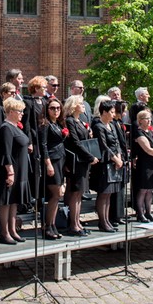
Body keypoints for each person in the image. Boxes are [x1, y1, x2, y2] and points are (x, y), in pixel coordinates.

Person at [0, 98, 31, 244]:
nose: (22, 114)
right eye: (19, 111)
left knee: (14, 200)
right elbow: (6, 152)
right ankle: (4, 232)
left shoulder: (16, 127)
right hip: (11, 170)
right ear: (10, 112)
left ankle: (12, 229)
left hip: (20, 170)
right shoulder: (6, 128)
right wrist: (10, 172)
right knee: (6, 200)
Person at [63, 95, 98, 236]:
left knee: (79, 194)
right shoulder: (70, 121)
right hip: (77, 161)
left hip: (83, 161)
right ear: (74, 106)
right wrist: (90, 157)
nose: (83, 106)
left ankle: (78, 222)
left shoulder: (80, 121)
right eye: (81, 104)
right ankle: (73, 224)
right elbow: (76, 143)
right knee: (75, 193)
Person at [90, 100, 125, 232]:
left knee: (109, 194)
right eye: (111, 112)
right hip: (104, 163)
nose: (113, 114)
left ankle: (107, 220)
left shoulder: (111, 125)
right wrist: (115, 159)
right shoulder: (99, 126)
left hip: (114, 163)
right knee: (103, 194)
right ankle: (102, 221)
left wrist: (119, 158)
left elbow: (116, 144)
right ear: (104, 112)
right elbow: (103, 146)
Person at [40, 98, 66, 239]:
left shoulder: (59, 124)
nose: (56, 111)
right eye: (52, 108)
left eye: (58, 108)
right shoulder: (46, 124)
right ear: (47, 110)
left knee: (57, 196)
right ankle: (47, 225)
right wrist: (48, 163)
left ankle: (52, 224)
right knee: (56, 194)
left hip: (61, 160)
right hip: (52, 161)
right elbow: (43, 145)